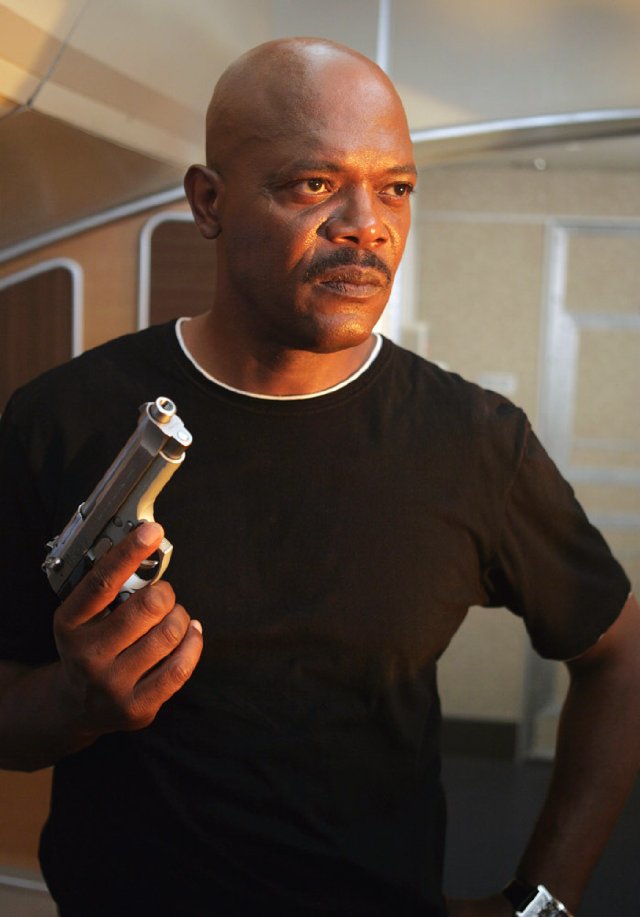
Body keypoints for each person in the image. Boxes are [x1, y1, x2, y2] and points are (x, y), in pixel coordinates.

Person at [0, 37, 638, 917]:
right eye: (313, 184)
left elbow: (622, 655)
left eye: (396, 188)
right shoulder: (60, 418)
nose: (366, 224)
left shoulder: (476, 442)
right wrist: (75, 701)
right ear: (209, 201)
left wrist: (541, 904)